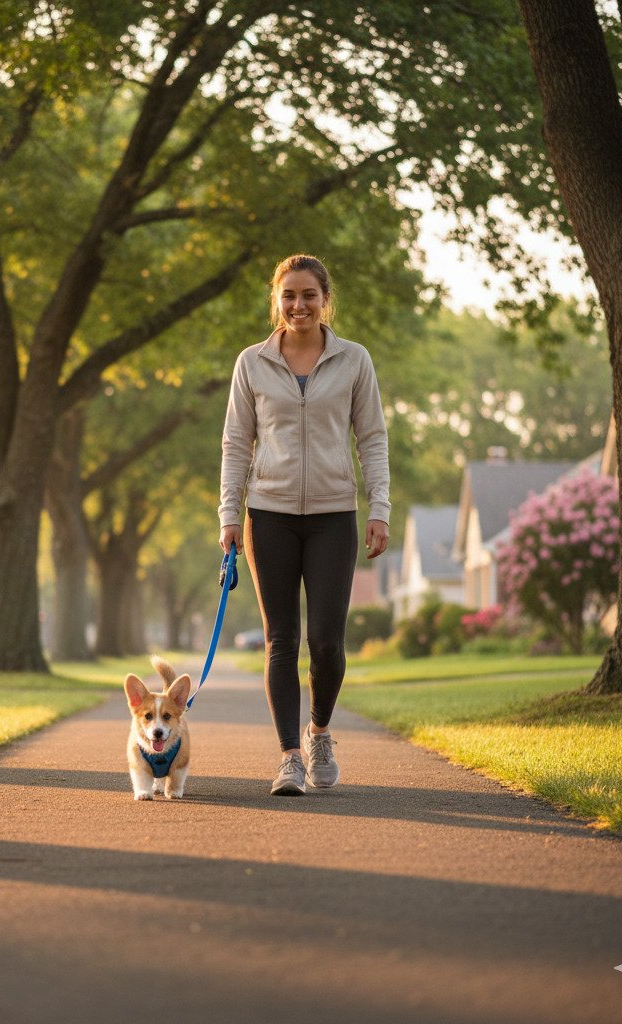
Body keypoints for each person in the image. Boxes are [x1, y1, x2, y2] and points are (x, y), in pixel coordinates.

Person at [218, 253, 390, 796]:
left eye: (309, 295)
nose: (299, 306)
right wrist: (229, 515)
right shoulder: (252, 363)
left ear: (325, 299)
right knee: (280, 641)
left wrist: (379, 509)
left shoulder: (355, 360)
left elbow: (373, 438)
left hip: (333, 516)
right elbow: (234, 444)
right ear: (277, 299)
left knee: (327, 643)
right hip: (267, 515)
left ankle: (319, 733)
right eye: (289, 295)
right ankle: (289, 756)